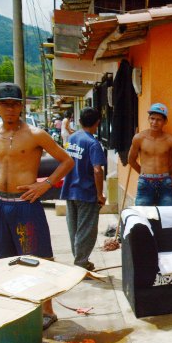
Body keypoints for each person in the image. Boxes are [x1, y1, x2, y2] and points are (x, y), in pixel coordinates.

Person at [0, 82, 75, 330]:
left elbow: (67, 161)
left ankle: (48, 310)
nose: (11, 109)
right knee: (7, 259)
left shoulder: (36, 134)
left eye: (15, 104)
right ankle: (16, 306)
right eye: (5, 104)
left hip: (27, 203)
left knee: (40, 257)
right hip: (0, 204)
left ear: (21, 106)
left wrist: (45, 185)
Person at [60, 107, 106, 271]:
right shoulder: (93, 143)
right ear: (98, 123)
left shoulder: (72, 138)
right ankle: (81, 262)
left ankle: (80, 259)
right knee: (86, 230)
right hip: (86, 193)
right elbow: (97, 170)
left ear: (79, 122)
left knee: (74, 228)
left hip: (70, 190)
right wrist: (100, 194)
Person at [127, 103, 172, 206]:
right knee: (142, 216)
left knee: (168, 216)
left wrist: (165, 175)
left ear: (165, 121)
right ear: (148, 119)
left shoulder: (170, 140)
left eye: (159, 120)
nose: (154, 122)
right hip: (145, 183)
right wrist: (144, 173)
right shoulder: (139, 138)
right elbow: (131, 160)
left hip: (165, 183)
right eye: (152, 118)